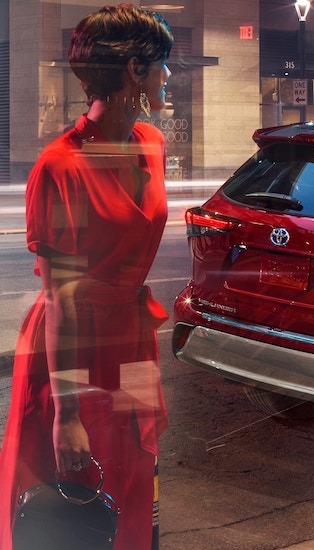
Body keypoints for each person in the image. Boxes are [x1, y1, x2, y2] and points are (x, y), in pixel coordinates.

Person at [0, 5, 174, 548]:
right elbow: (62, 300)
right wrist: (66, 414)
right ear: (134, 72)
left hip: (133, 341)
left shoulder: (152, 143)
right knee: (72, 497)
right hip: (75, 348)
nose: (167, 76)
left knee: (133, 474)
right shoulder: (59, 165)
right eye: (162, 64)